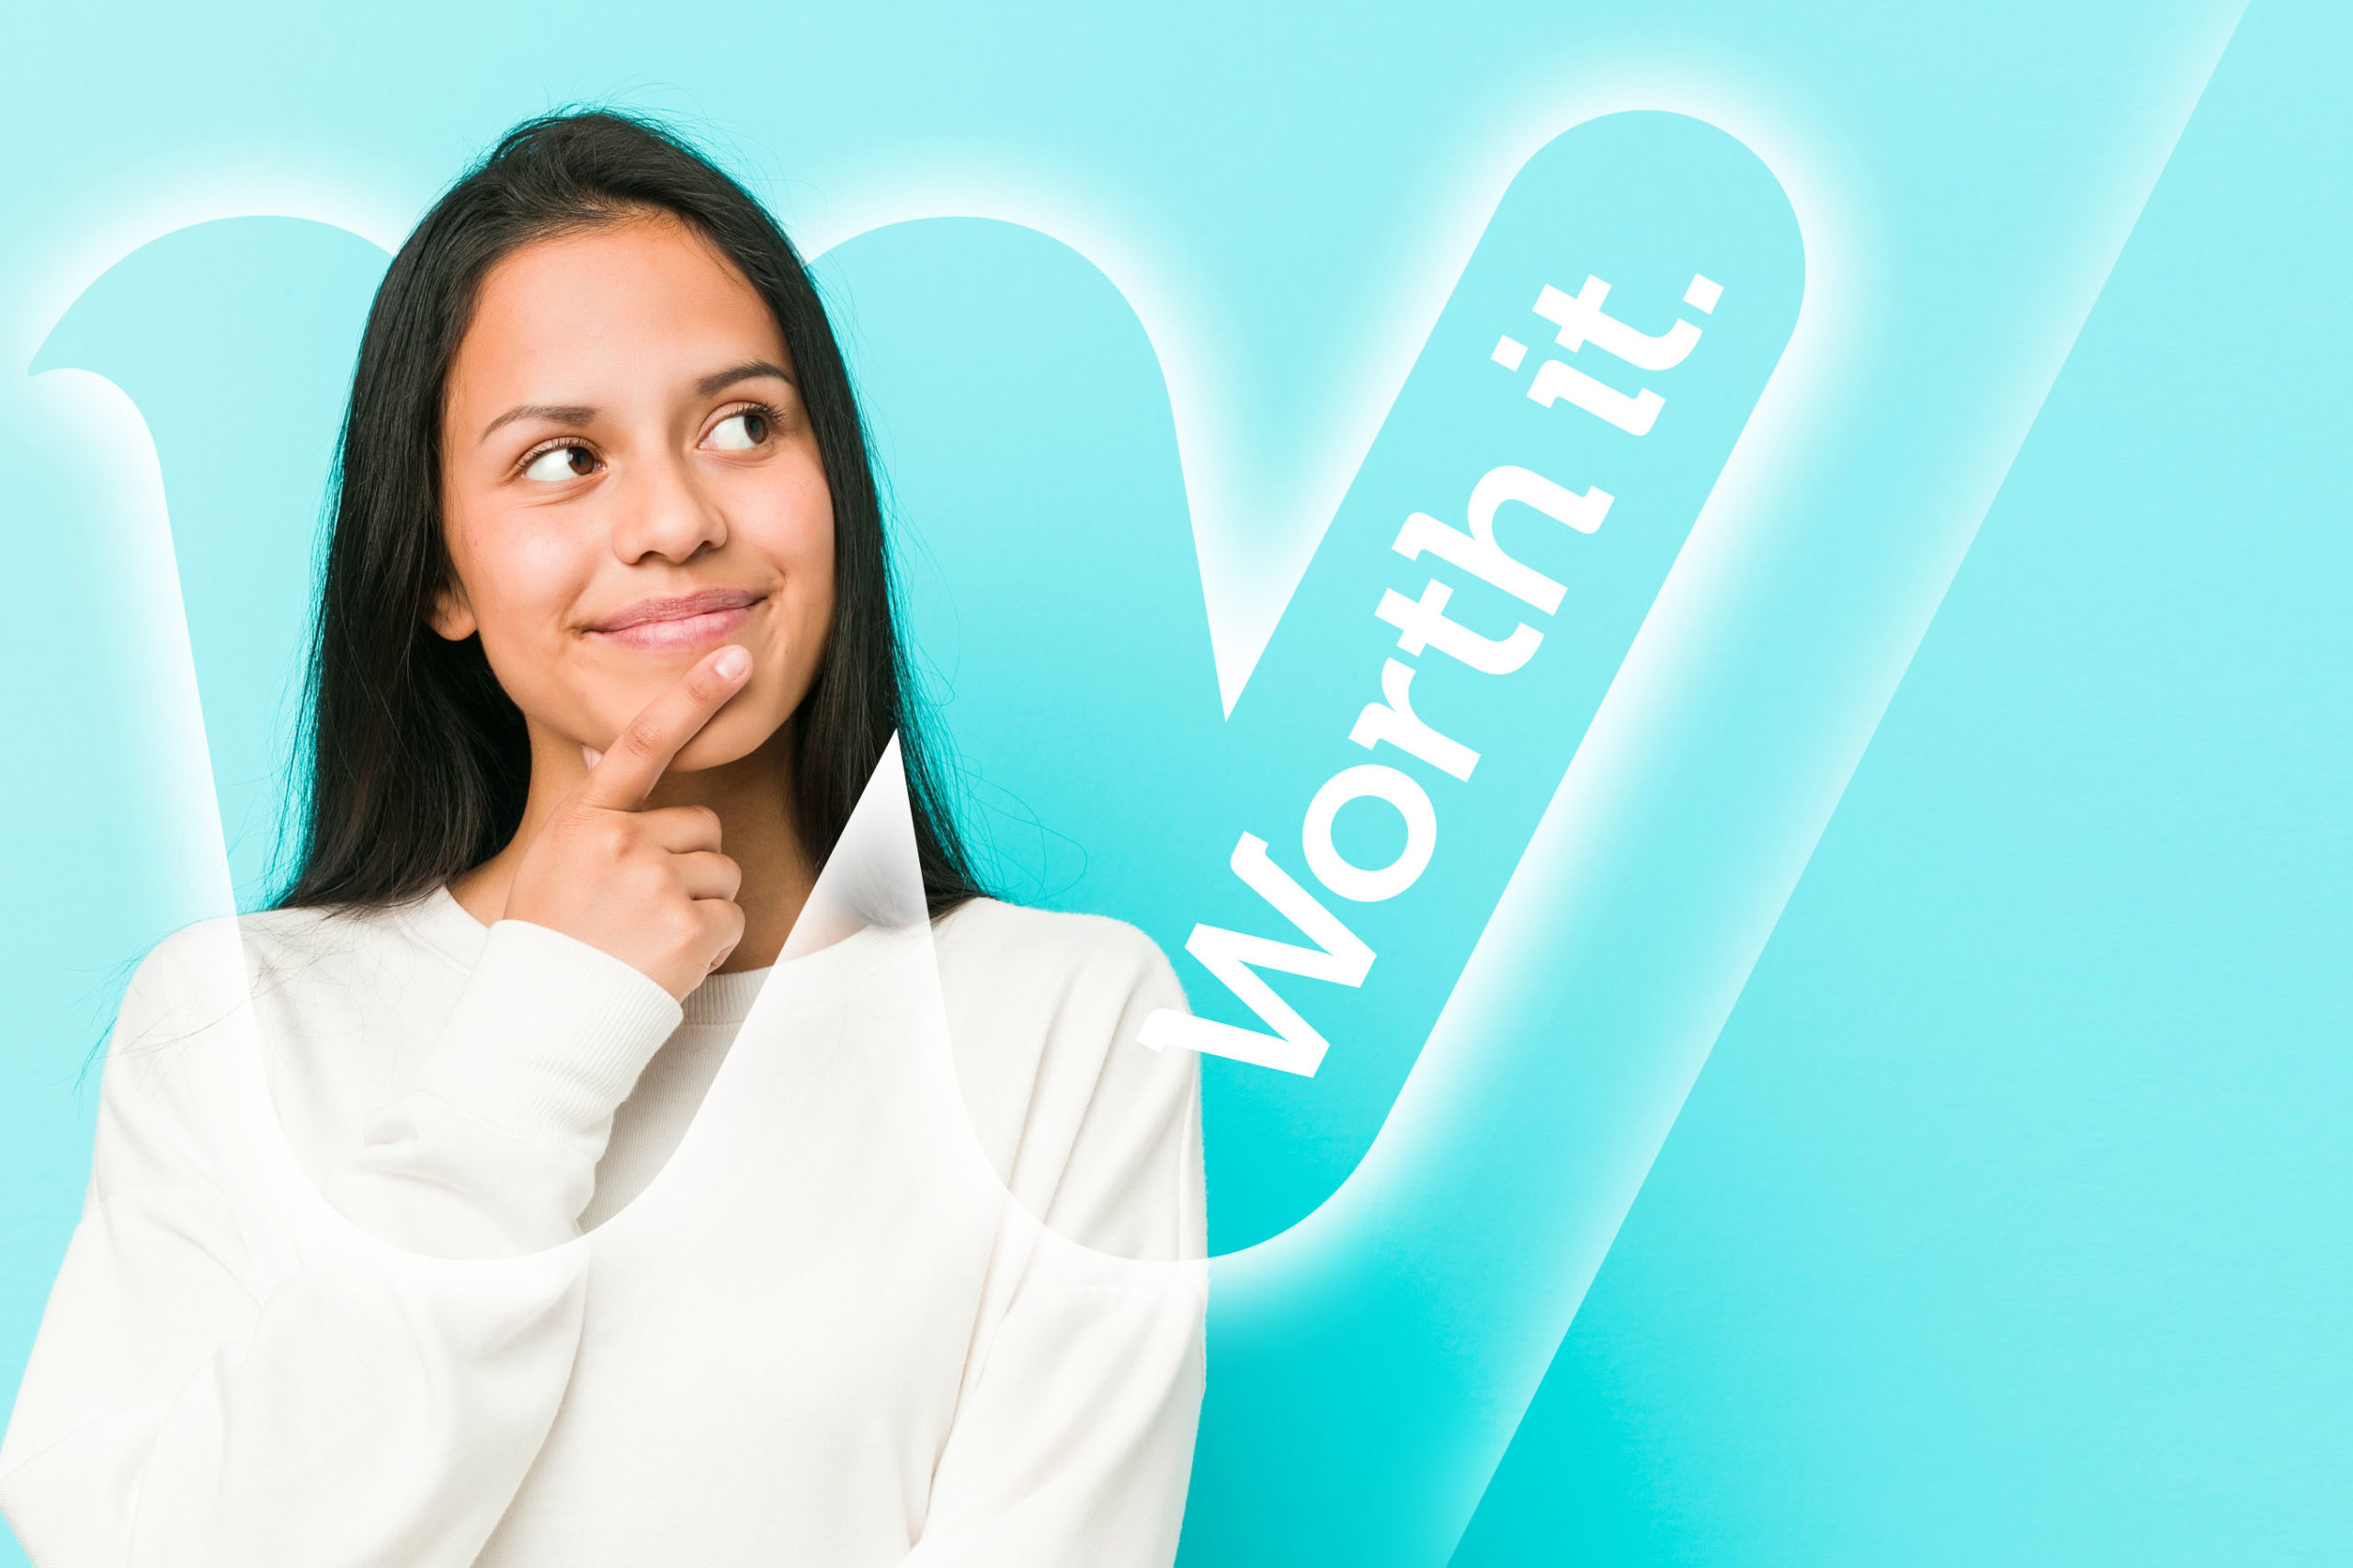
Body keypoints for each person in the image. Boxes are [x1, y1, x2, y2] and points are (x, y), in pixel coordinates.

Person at [0, 110, 1206, 1567]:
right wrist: (545, 1027)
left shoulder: (1063, 1021)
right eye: (563, 458)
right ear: (438, 570)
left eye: (745, 424)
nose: (677, 519)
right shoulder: (235, 1025)